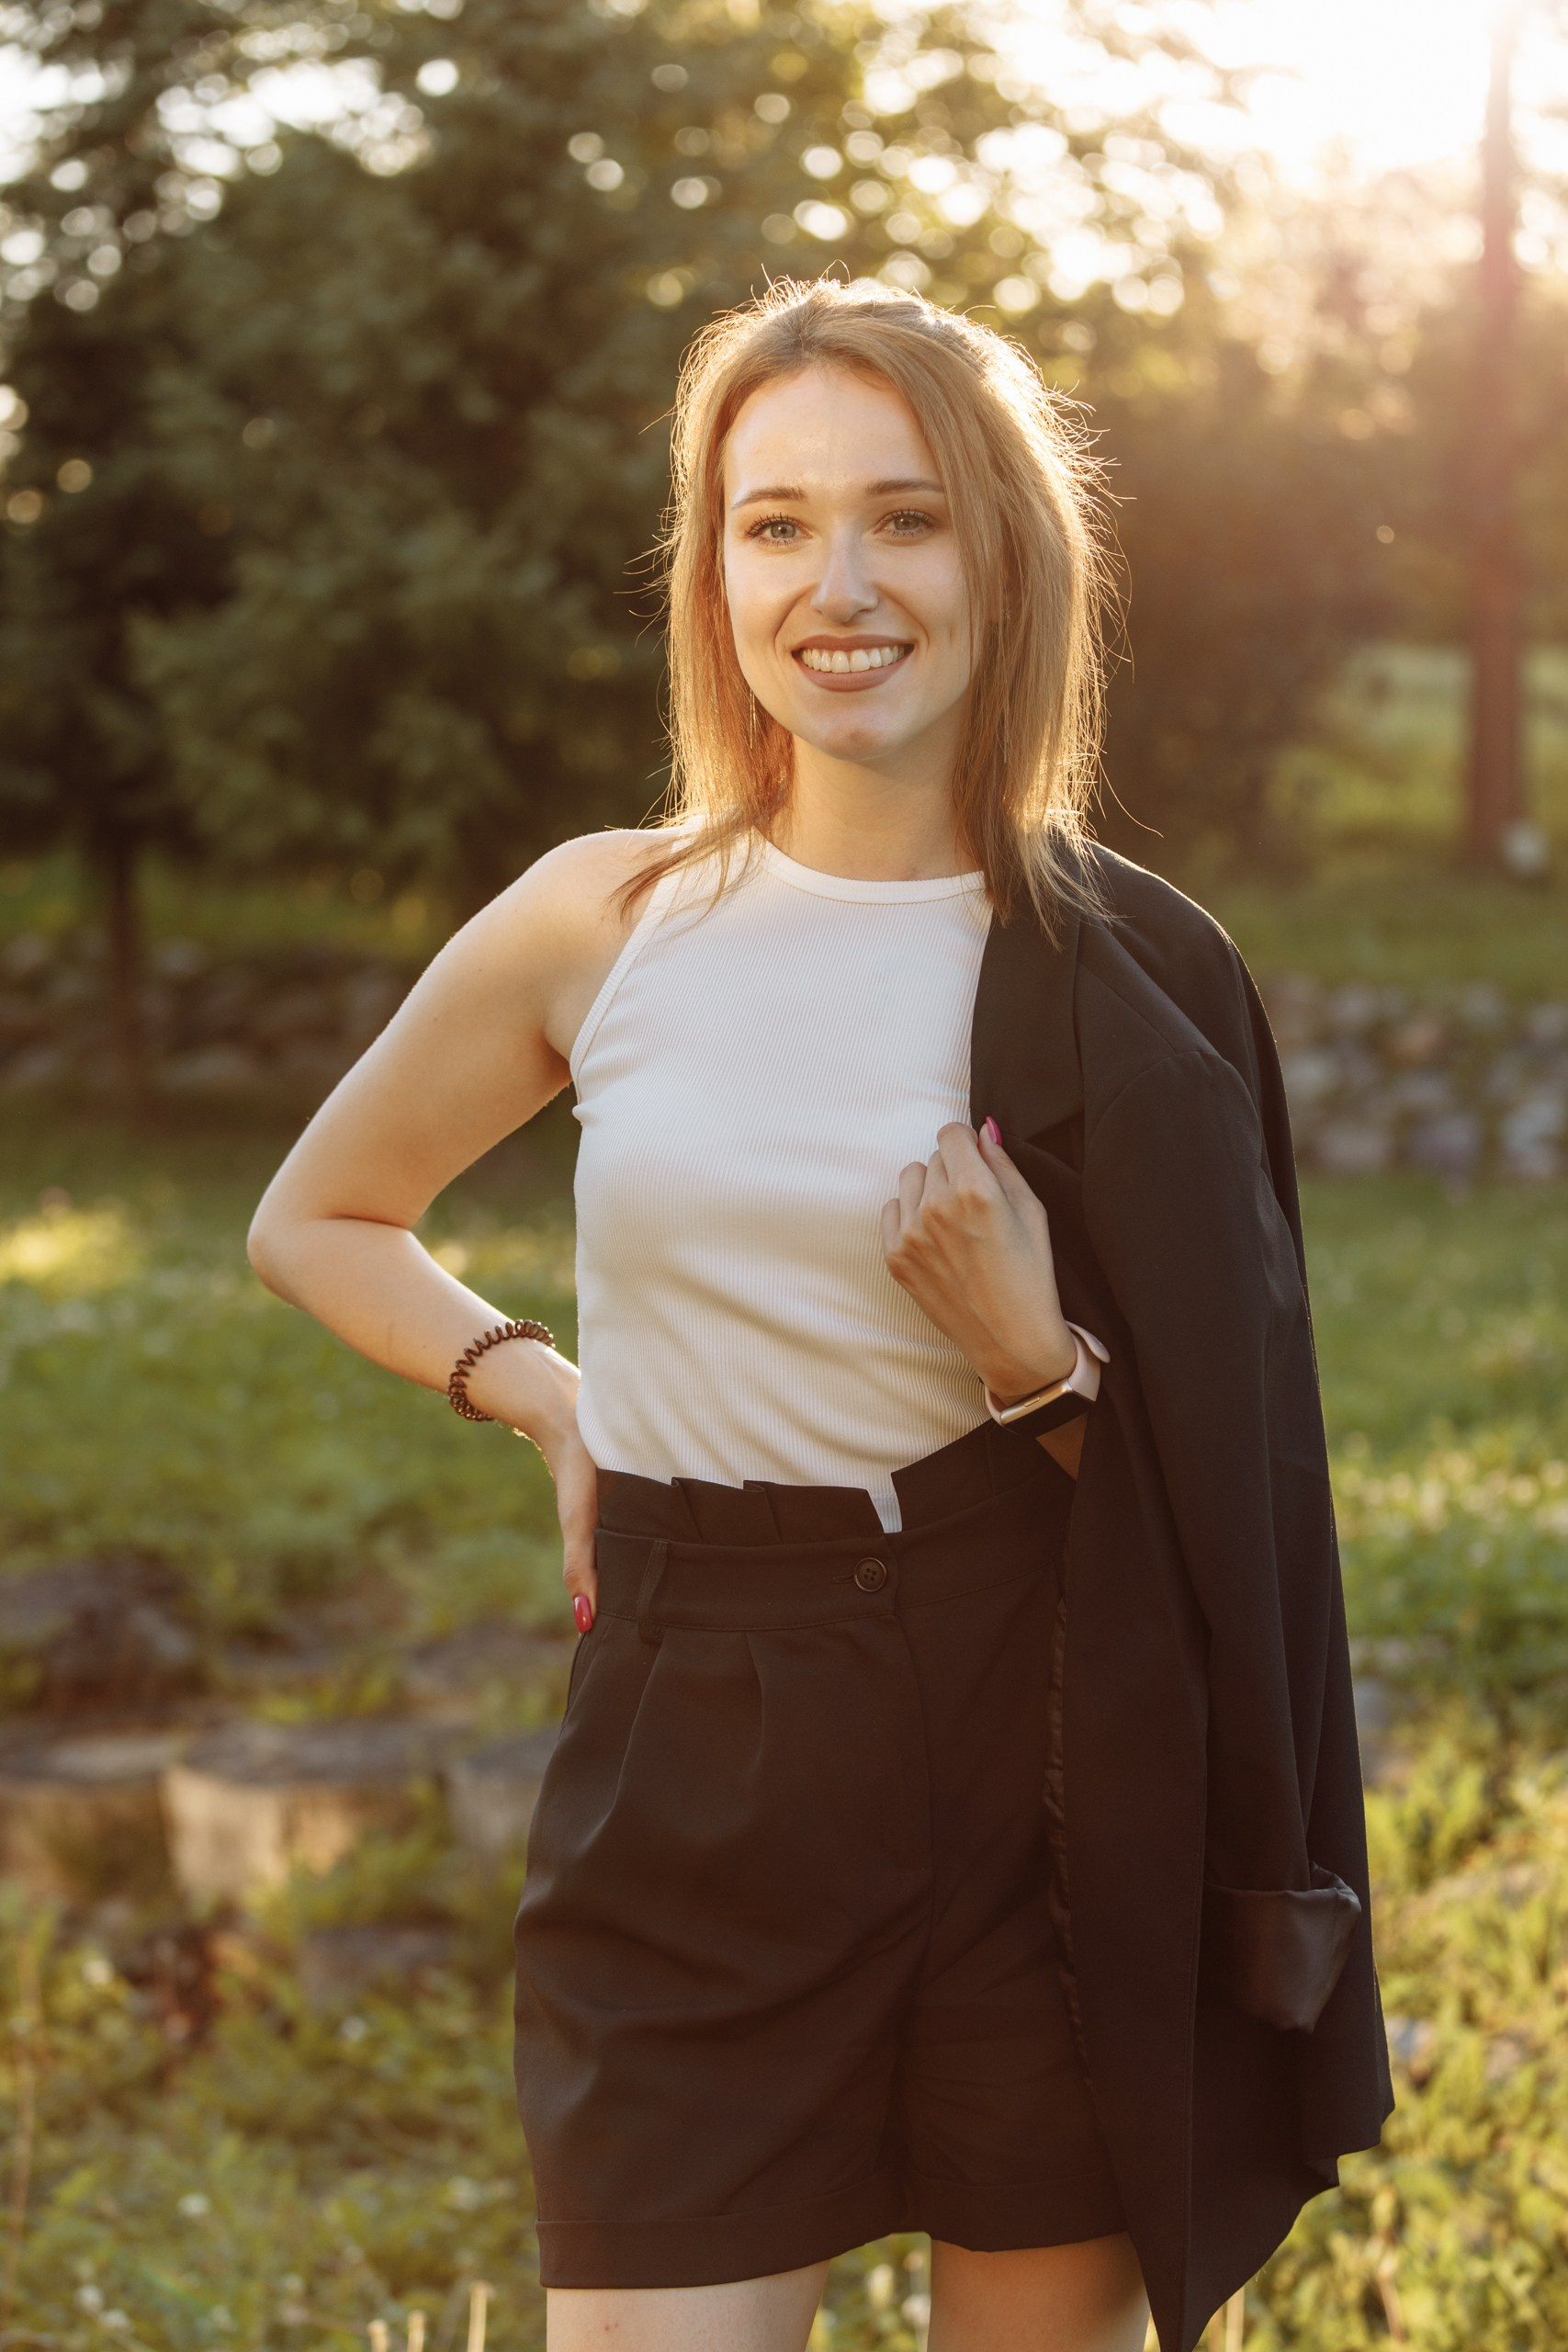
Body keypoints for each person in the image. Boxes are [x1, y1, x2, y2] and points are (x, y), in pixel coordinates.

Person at [248, 280, 1391, 2352]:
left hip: (1053, 1748)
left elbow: (1241, 1500)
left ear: (1003, 558)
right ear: (713, 572)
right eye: (775, 524)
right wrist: (546, 1396)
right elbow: (320, 1216)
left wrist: (1033, 1360)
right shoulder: (604, 918)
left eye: (905, 518)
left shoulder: (1141, 972)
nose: (837, 585)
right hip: (699, 1732)